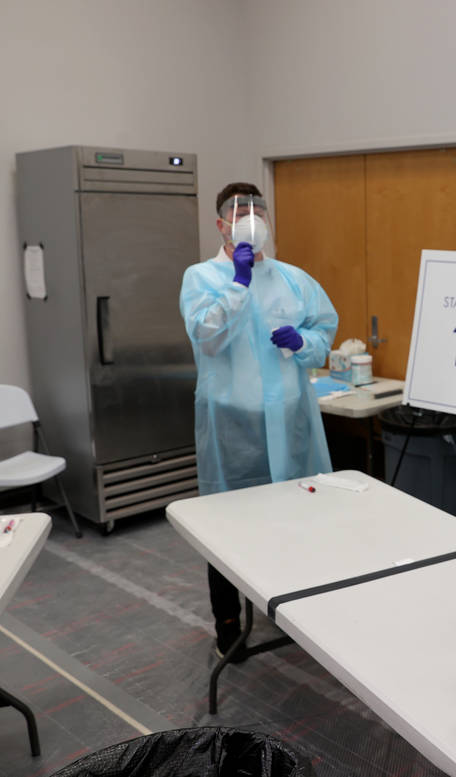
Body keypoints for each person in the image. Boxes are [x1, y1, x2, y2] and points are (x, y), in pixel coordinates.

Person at [180, 182, 338, 659]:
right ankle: (228, 623)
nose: (250, 219)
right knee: (227, 527)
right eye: (238, 212)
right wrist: (238, 284)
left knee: (295, 521)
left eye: (257, 210)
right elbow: (206, 336)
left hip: (289, 420)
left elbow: (323, 330)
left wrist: (301, 343)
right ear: (220, 224)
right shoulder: (202, 277)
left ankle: (293, 611)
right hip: (233, 425)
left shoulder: (294, 278)